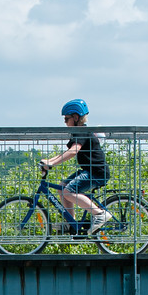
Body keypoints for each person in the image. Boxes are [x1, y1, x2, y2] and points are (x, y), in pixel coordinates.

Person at [39, 99, 113, 233]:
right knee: (62, 187)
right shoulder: (79, 132)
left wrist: (52, 163)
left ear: (76, 117)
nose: (65, 122)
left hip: (96, 173)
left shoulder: (82, 132)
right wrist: (50, 161)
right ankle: (71, 222)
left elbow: (73, 151)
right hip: (89, 170)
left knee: (68, 191)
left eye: (66, 119)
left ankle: (99, 214)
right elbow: (67, 151)